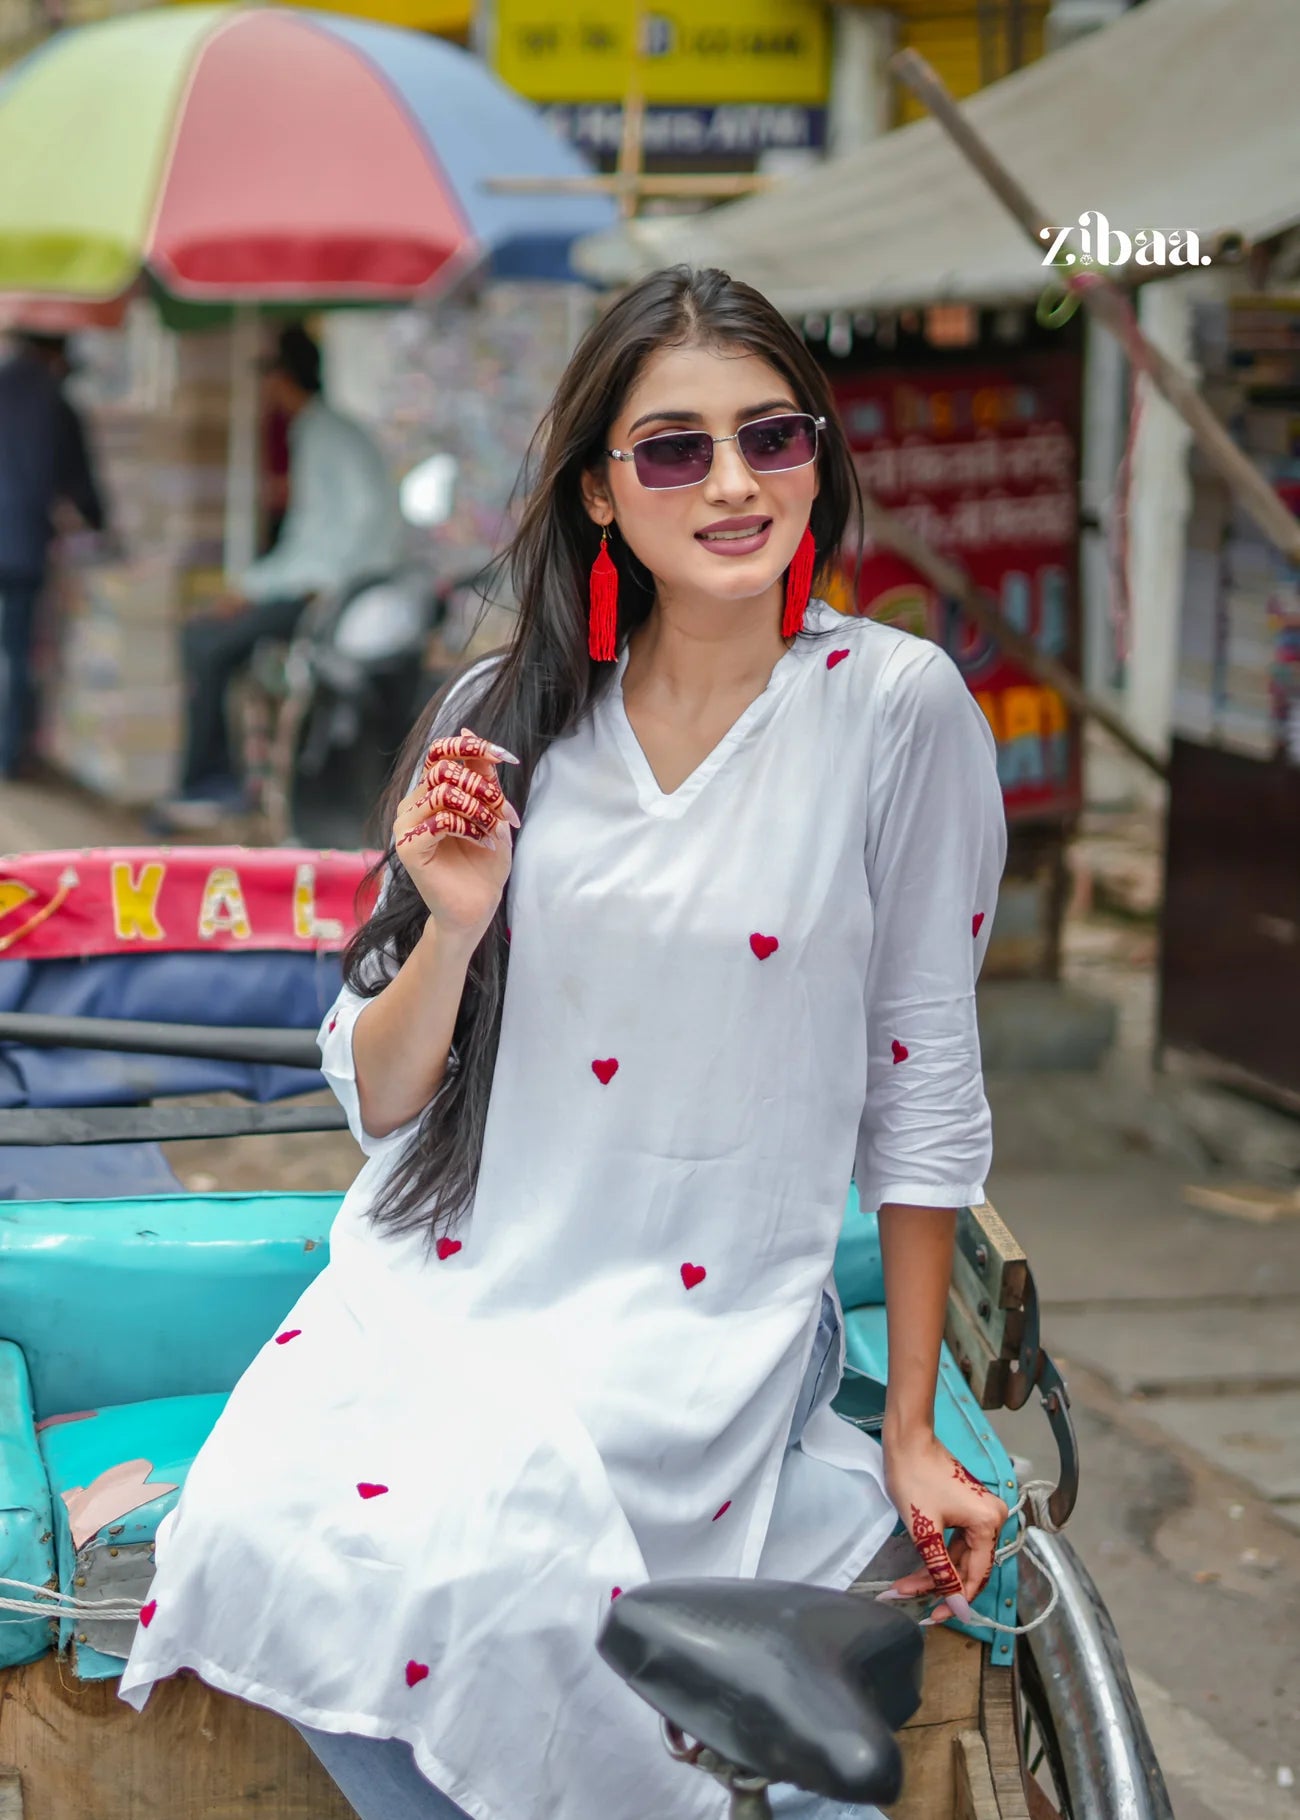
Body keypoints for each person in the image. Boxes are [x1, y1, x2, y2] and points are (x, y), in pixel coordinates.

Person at [120, 267, 1009, 1820]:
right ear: (603, 491)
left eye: (771, 437)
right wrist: (456, 922)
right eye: (673, 449)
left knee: (504, 1561)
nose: (733, 485)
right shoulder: (505, 708)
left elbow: (927, 1083)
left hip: (716, 1308)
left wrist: (918, 1424)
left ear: (818, 458)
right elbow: (386, 1102)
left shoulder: (895, 708)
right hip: (460, 1278)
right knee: (259, 1528)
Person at [157, 322, 404, 825]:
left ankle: (209, 782)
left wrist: (252, 589)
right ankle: (214, 778)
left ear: (281, 378)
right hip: (327, 585)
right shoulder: (326, 430)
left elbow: (331, 537)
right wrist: (252, 587)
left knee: (206, 643)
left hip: (331, 594)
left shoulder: (321, 433)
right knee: (207, 638)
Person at [0, 331, 108, 780]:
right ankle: (9, 754)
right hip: (22, 544)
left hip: (18, 537)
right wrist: (100, 525)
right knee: (18, 651)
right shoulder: (53, 400)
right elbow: (79, 479)